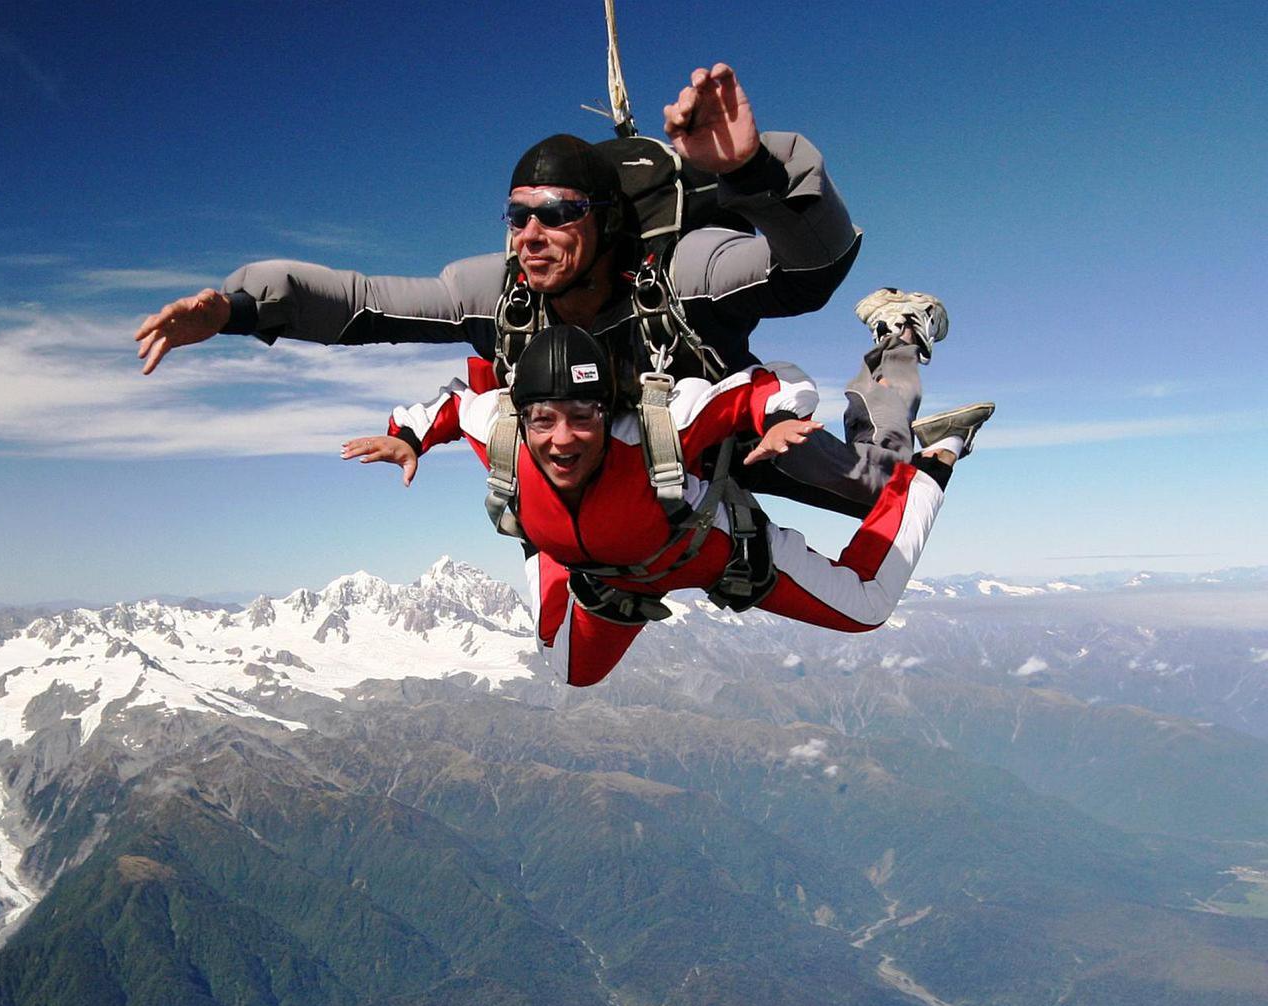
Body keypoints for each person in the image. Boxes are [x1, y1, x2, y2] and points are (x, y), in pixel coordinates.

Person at [133, 65, 883, 515]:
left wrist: (752, 175)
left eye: (557, 215)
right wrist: (236, 308)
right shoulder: (496, 294)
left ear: (604, 221)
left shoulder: (680, 278)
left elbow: (813, 271)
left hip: (728, 437)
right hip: (612, 459)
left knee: (871, 487)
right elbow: (358, 303)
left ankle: (899, 344)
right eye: (518, 215)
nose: (530, 235)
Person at [339, 321, 993, 687]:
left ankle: (932, 462)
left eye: (582, 417)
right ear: (522, 413)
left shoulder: (661, 425)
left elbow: (772, 384)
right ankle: (552, 549)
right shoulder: (501, 428)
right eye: (544, 418)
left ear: (608, 411)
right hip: (606, 580)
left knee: (868, 606)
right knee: (569, 672)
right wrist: (406, 437)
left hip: (712, 552)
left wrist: (778, 417)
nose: (562, 437)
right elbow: (454, 405)